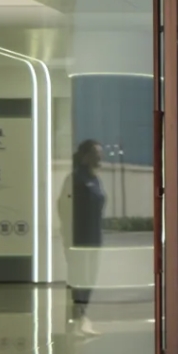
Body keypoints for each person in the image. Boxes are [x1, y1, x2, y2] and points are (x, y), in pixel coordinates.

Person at [57, 139, 106, 337]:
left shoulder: (95, 179)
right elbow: (62, 206)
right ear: (85, 156)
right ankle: (74, 321)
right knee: (78, 278)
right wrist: (69, 234)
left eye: (100, 153)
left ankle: (82, 318)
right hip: (78, 238)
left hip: (94, 237)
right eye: (96, 154)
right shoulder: (75, 179)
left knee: (89, 278)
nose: (100, 157)